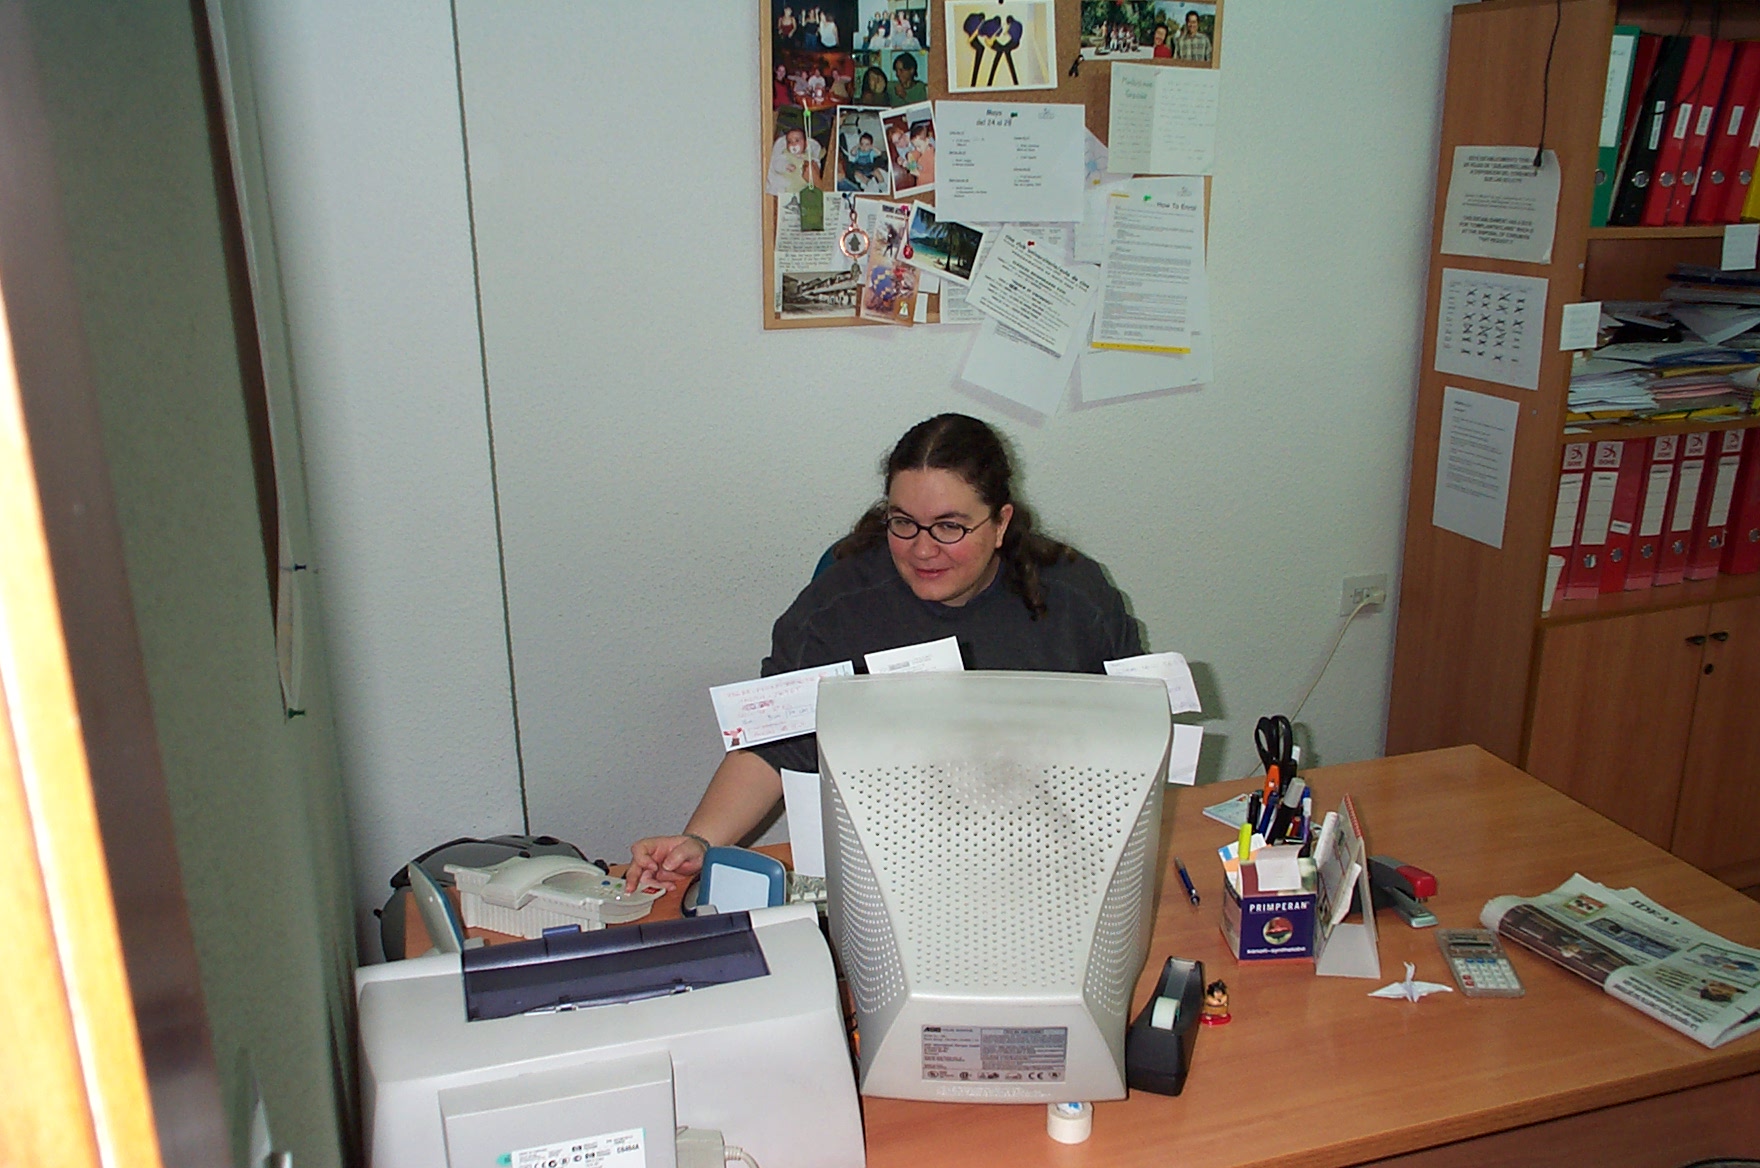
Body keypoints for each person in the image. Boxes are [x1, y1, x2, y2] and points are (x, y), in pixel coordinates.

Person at [627, 414, 1144, 889]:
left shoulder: (1077, 600)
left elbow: (1136, 736)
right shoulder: (839, 606)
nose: (923, 549)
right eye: (903, 522)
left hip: (1051, 858)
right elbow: (775, 744)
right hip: (895, 866)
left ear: (1001, 523)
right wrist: (698, 841)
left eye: (950, 526)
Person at [766, 125, 822, 195]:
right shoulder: (786, 154)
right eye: (789, 142)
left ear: (806, 144)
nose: (793, 144)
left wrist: (815, 168)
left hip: (803, 185)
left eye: (797, 140)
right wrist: (785, 166)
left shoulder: (809, 156)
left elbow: (816, 165)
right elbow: (776, 164)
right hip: (790, 183)